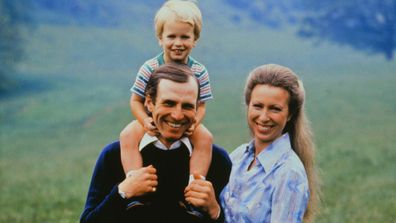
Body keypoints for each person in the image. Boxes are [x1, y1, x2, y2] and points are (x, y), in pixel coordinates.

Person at [80, 63, 232, 223]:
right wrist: (122, 192)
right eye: (169, 103)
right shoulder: (113, 156)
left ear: (197, 109)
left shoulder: (217, 160)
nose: (177, 115)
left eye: (187, 106)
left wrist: (215, 211)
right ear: (149, 103)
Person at [120, 0, 213, 192]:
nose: (178, 43)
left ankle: (195, 184)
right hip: (152, 120)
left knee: (205, 138)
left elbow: (201, 105)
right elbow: (136, 100)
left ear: (195, 39)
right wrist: (144, 120)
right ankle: (135, 180)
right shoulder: (150, 68)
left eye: (185, 37)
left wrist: (195, 122)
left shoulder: (199, 71)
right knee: (128, 134)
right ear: (160, 38)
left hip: (186, 123)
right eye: (171, 36)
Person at [220, 64, 320, 223]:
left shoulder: (289, 173)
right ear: (248, 106)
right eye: (258, 106)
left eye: (275, 109)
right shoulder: (238, 156)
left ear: (290, 115)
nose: (264, 117)